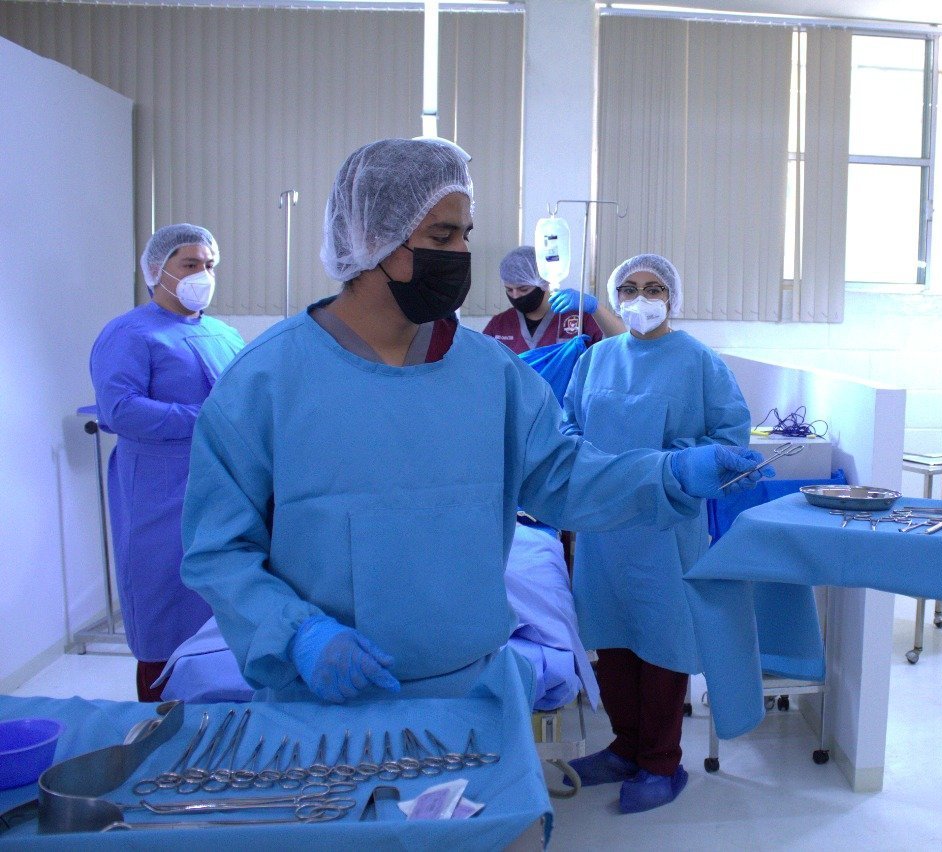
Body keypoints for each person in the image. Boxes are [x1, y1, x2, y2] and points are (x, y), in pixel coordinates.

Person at [180, 137, 770, 709]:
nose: (461, 254)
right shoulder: (266, 381)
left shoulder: (490, 373)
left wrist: (671, 474)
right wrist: (296, 634)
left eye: (465, 235)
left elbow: (565, 478)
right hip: (326, 699)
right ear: (369, 240)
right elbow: (219, 549)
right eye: (441, 236)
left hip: (471, 689)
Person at [561, 254, 750, 814]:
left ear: (673, 297)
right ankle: (624, 748)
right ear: (616, 298)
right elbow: (567, 428)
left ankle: (662, 762)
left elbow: (730, 439)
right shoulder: (595, 360)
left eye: (654, 287)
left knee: (661, 641)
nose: (641, 297)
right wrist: (593, 470)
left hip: (665, 528)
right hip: (604, 527)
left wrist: (674, 466)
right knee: (612, 637)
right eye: (630, 288)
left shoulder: (698, 363)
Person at [89, 223, 245, 701]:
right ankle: (157, 723)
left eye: (209, 264)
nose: (204, 273)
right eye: (190, 264)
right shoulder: (130, 334)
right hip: (157, 491)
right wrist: (204, 418)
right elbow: (120, 409)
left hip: (221, 487)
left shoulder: (223, 333)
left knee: (224, 604)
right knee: (162, 604)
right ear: (157, 270)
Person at [482, 245, 625, 353]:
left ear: (543, 282)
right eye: (509, 290)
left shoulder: (578, 317)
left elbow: (622, 342)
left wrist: (596, 307)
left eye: (523, 289)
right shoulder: (500, 325)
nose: (515, 295)